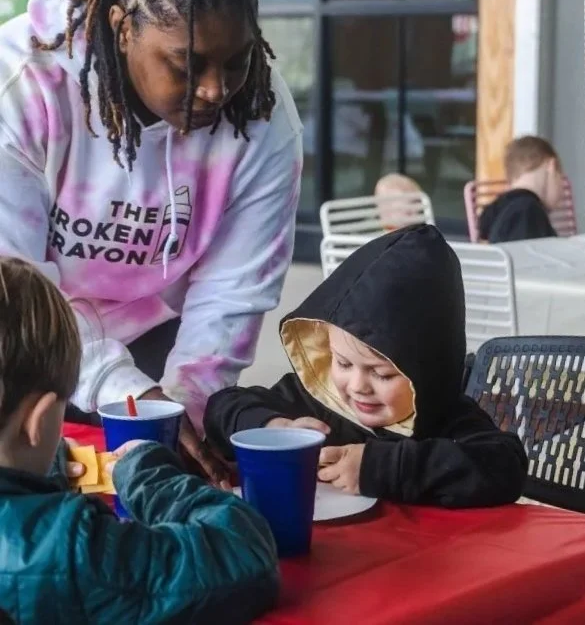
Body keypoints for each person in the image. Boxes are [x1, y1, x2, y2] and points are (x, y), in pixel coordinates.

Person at [0, 0, 302, 478]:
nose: (217, 89)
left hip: (156, 333)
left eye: (237, 61)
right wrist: (121, 392)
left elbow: (233, 292)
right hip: (23, 334)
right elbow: (17, 291)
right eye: (187, 66)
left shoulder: (263, 120)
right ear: (121, 25)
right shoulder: (23, 89)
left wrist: (180, 410)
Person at [0, 256, 279, 624]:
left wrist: (39, 474)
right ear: (38, 421)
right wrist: (149, 476)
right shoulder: (70, 546)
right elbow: (244, 555)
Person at [205, 225, 528, 507]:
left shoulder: (450, 420)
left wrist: (380, 468)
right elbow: (224, 405)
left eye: (381, 373)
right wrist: (274, 428)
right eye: (343, 363)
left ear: (427, 373)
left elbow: (505, 468)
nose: (357, 385)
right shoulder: (316, 403)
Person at [478, 136, 563, 243]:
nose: (562, 189)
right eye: (560, 177)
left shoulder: (499, 211)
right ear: (551, 166)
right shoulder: (527, 211)